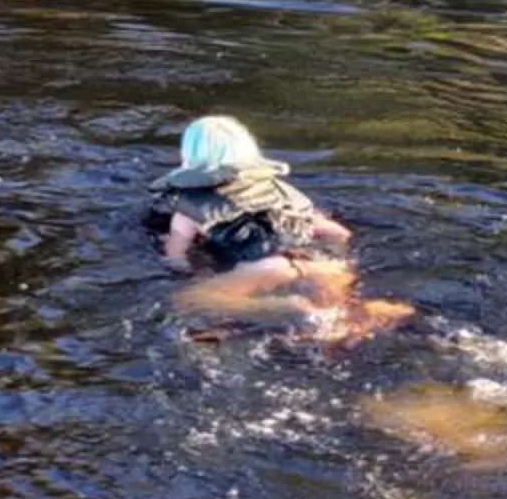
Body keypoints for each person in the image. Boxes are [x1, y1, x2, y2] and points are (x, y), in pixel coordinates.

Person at [144, 115, 410, 346]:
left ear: (189, 156)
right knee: (335, 320)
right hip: (320, 263)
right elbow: (338, 234)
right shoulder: (282, 191)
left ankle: (289, 308)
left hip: (266, 268)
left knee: (190, 301)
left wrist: (190, 270)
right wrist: (340, 258)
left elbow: (176, 256)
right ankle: (365, 311)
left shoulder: (188, 206)